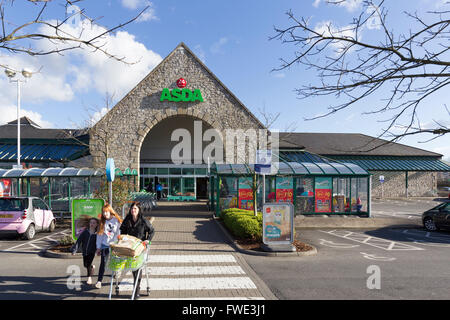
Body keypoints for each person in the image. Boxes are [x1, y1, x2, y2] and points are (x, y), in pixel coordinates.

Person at [119, 201, 155, 299]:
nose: (133, 210)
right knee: (132, 268)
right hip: (130, 247)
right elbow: (122, 231)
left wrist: (148, 240)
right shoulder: (127, 220)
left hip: (140, 247)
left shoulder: (143, 221)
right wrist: (122, 238)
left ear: (139, 210)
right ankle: (135, 287)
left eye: (135, 209)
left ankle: (136, 290)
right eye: (132, 209)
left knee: (137, 269)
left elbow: (151, 231)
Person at [95, 203, 122, 289]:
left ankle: (117, 271)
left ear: (110, 211)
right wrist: (98, 247)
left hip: (114, 245)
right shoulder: (102, 222)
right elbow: (99, 235)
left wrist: (117, 242)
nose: (105, 214)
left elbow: (119, 233)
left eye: (106, 212)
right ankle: (99, 281)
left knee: (115, 260)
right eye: (103, 212)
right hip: (104, 245)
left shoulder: (116, 220)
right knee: (103, 263)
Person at [71, 217, 98, 285]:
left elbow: (99, 242)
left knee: (88, 264)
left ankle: (89, 277)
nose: (92, 224)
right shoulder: (85, 232)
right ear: (89, 223)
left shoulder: (97, 234)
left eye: (94, 223)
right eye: (91, 222)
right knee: (85, 265)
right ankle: (92, 267)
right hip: (85, 251)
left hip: (92, 251)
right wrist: (74, 250)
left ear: (96, 224)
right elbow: (79, 241)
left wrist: (99, 250)